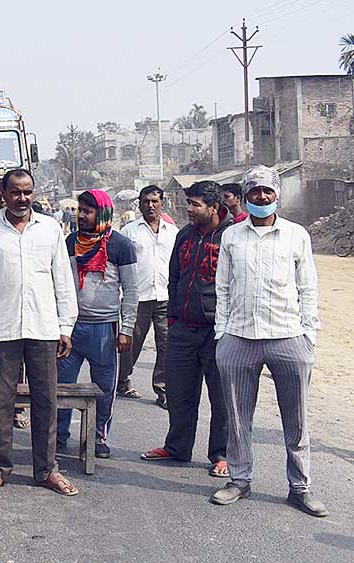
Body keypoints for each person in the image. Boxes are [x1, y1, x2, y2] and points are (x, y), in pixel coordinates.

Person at [211, 165, 326, 517]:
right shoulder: (232, 236)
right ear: (245, 196)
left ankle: (300, 486)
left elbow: (307, 287)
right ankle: (239, 480)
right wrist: (222, 334)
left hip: (288, 337)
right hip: (240, 338)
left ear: (276, 195)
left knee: (297, 420)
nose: (261, 197)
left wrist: (309, 335)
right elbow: (223, 287)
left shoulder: (296, 235)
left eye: (267, 191)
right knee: (238, 416)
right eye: (254, 192)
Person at [0, 169, 79, 499]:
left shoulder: (50, 230)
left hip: (43, 328)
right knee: (0, 402)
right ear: (2, 193)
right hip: (2, 330)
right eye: (15, 192)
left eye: (28, 192)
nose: (22, 199)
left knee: (46, 400)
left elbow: (63, 282)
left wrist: (65, 327)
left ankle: (46, 470)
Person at [140, 181, 232, 480]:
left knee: (221, 397)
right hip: (182, 328)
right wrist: (174, 318)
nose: (189, 209)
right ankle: (177, 447)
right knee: (179, 393)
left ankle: (221, 455)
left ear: (214, 208)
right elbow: (174, 278)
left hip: (218, 332)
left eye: (195, 204)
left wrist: (227, 327)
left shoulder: (233, 237)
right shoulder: (185, 235)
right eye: (188, 203)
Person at [56, 189, 137, 460]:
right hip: (70, 328)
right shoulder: (69, 242)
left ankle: (97, 437)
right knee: (62, 387)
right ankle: (58, 436)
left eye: (88, 211)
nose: (82, 216)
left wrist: (126, 330)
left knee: (103, 389)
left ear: (102, 213)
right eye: (80, 210)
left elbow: (131, 291)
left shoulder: (121, 245)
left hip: (105, 329)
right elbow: (61, 284)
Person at [118, 185, 176, 407]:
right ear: (140, 204)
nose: (150, 205)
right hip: (137, 298)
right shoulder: (129, 232)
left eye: (155, 201)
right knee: (130, 343)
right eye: (146, 201)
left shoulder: (173, 232)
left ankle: (163, 391)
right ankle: (122, 380)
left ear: (162, 203)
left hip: (164, 296)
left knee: (166, 345)